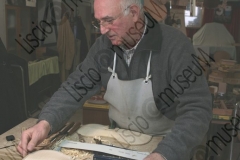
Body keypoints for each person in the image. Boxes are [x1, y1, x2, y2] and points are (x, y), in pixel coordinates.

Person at [17, 0, 212, 159]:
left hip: (165, 143)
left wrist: (165, 153)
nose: (102, 30)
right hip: (117, 142)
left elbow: (197, 109)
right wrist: (45, 123)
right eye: (98, 22)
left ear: (134, 13)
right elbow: (74, 88)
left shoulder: (175, 46)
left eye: (108, 20)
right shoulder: (103, 47)